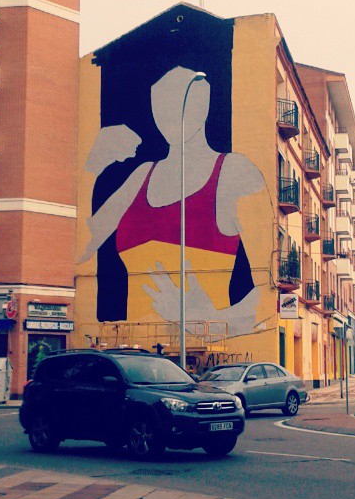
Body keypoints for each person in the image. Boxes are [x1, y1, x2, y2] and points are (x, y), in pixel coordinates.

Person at [81, 66, 264, 337]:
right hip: (138, 351)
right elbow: (82, 250)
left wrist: (204, 319)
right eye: (160, 107)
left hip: (202, 350)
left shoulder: (233, 170)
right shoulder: (143, 174)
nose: (167, 117)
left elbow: (268, 299)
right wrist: (93, 165)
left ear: (204, 105)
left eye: (177, 104)